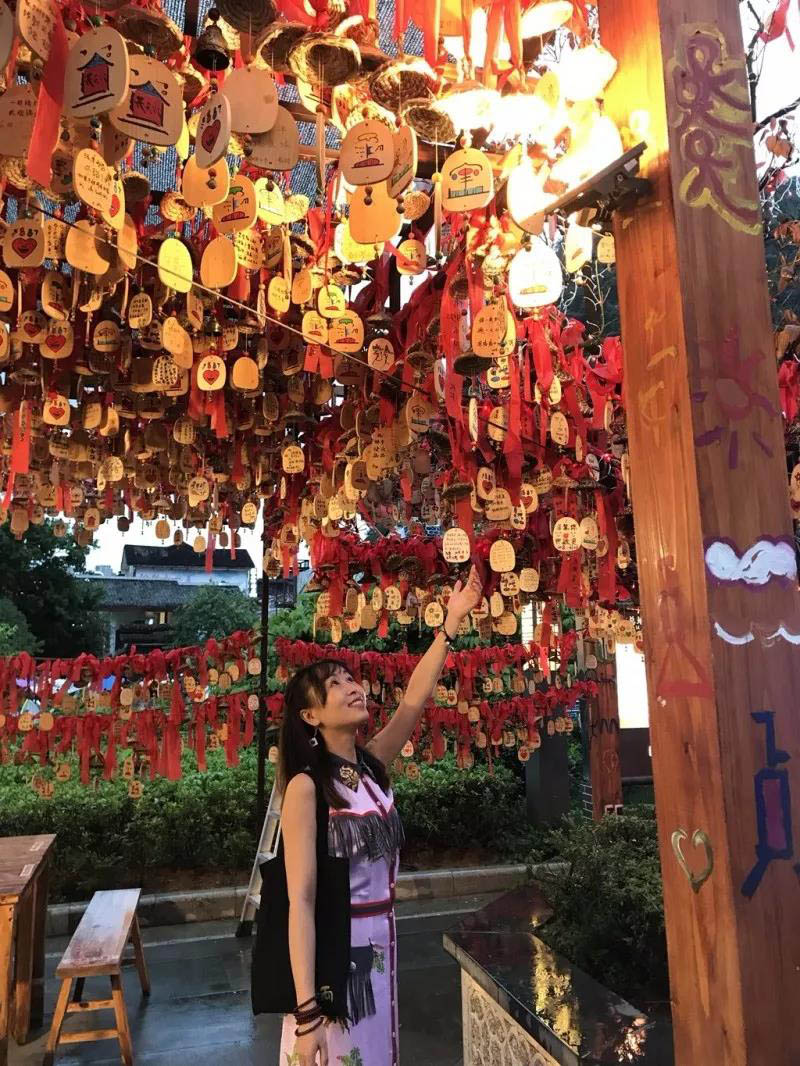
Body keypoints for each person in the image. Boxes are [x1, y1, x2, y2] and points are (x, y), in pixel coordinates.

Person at [276, 565, 483, 1066]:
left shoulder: (369, 768)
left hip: (380, 946)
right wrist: (307, 1015)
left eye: (351, 678)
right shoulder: (306, 788)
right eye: (334, 684)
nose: (352, 687)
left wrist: (451, 622)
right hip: (334, 960)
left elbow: (413, 700)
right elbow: (300, 902)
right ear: (310, 716)